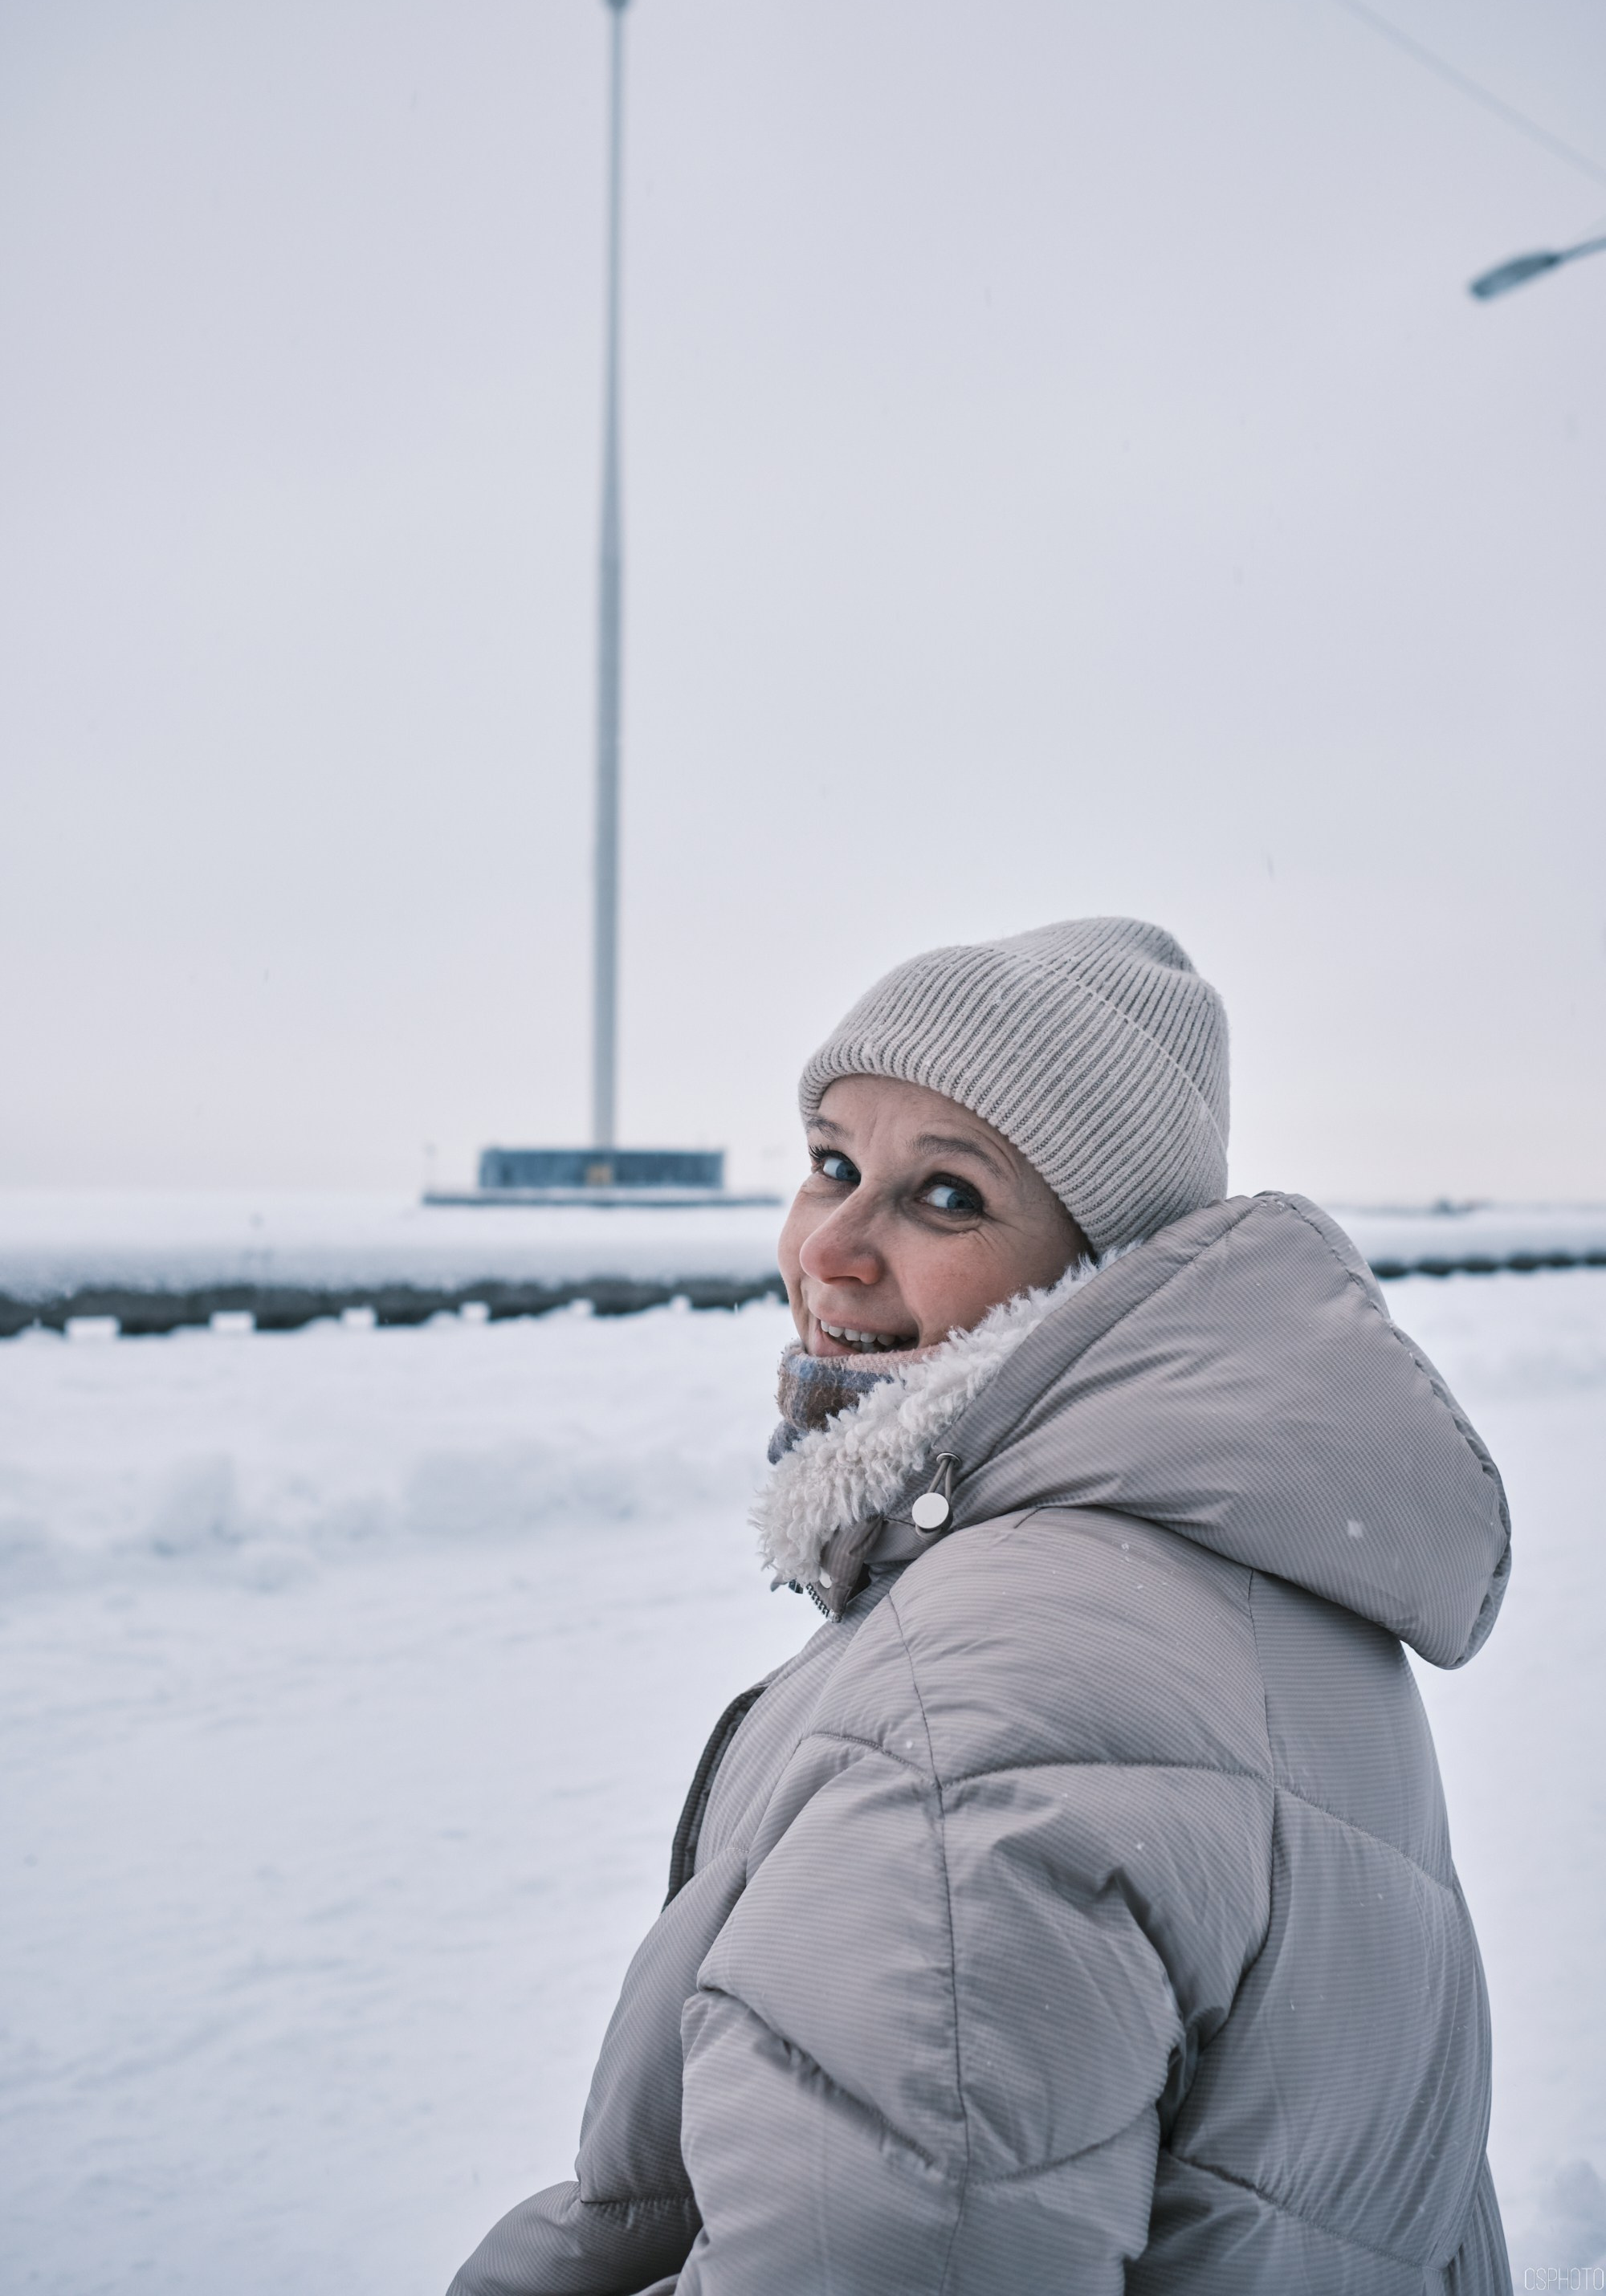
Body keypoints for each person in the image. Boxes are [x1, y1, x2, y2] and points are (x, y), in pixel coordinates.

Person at [449, 916, 1511, 2294]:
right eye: (832, 1163)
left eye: (946, 1196)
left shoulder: (983, 1719)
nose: (830, 1247)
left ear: (1100, 1270)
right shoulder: (1257, 1569)